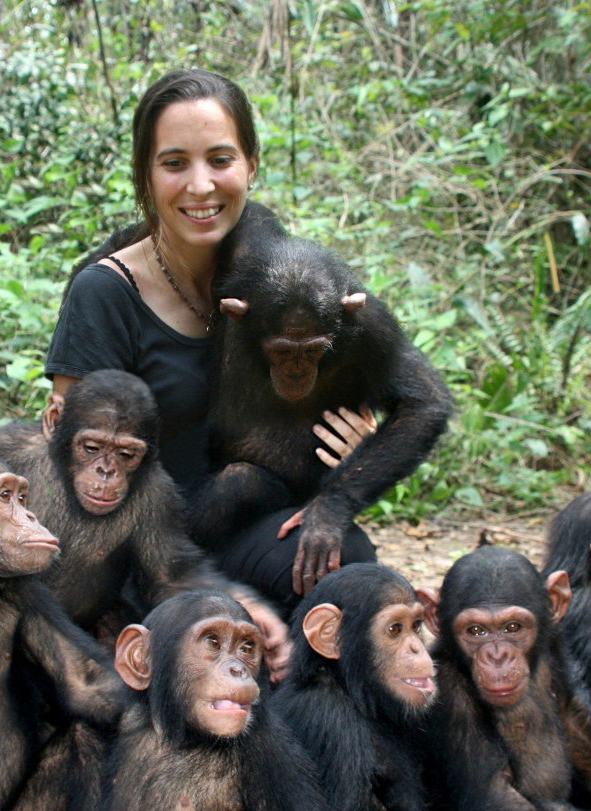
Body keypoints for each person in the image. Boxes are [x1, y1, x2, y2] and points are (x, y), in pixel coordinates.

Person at [45, 68, 377, 612]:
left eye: (220, 160)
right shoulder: (103, 293)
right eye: (175, 163)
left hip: (251, 520)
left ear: (251, 166)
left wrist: (353, 449)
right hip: (140, 551)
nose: (201, 186)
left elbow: (330, 408)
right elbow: (69, 474)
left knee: (346, 565)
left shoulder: (283, 283)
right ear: (145, 174)